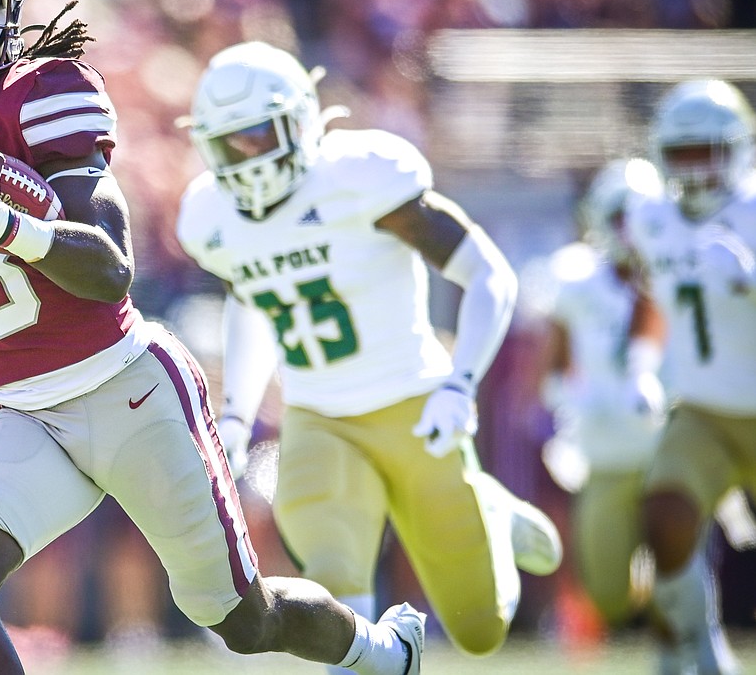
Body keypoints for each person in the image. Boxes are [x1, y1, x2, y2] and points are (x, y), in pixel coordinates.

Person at [0, 0, 425, 675]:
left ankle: (384, 652)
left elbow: (108, 268)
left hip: (128, 391)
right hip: (21, 411)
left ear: (7, 11)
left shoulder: (45, 95)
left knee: (240, 619)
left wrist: (1, 223)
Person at [174, 41, 563, 668]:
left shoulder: (362, 176)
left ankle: (489, 510)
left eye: (258, 136)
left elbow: (488, 274)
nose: (246, 159)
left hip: (412, 404)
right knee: (332, 576)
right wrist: (238, 418)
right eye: (228, 143)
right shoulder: (210, 215)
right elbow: (249, 299)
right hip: (317, 416)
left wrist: (460, 385)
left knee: (478, 627)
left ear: (301, 122)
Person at [625, 78, 756, 675]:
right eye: (680, 153)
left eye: (705, 151)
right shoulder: (652, 216)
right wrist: (640, 365)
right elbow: (655, 296)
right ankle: (702, 651)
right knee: (665, 516)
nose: (693, 168)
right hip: (703, 408)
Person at [531, 158, 668, 629]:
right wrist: (570, 398)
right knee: (608, 593)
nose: (632, 232)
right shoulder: (576, 277)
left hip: (668, 448)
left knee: (682, 569)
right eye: (621, 219)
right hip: (606, 450)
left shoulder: (676, 272)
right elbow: (552, 367)